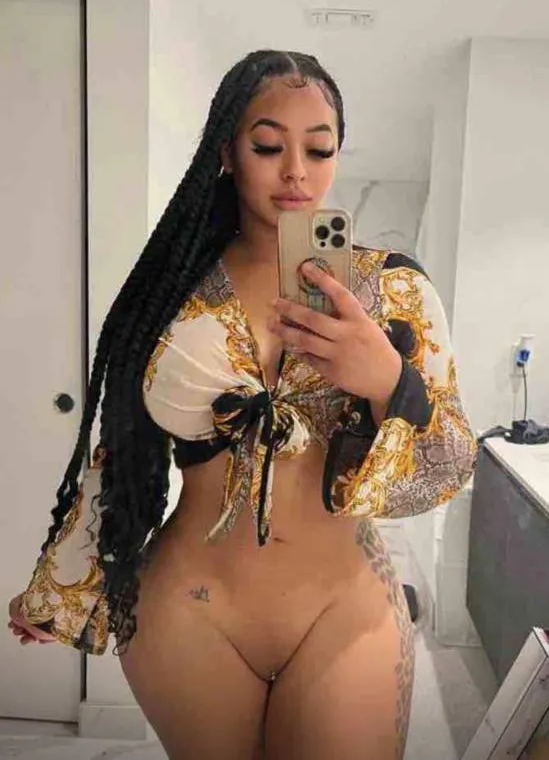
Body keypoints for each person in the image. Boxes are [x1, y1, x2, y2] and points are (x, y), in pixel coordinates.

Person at [7, 50, 477, 760]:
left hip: (343, 605)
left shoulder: (396, 291)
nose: (296, 172)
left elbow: (450, 463)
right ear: (227, 152)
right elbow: (124, 451)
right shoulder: (171, 291)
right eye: (268, 146)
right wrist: (62, 585)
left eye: (318, 149)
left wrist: (387, 380)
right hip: (191, 608)